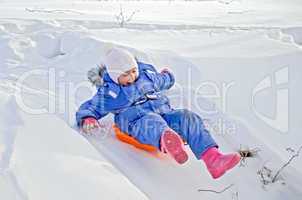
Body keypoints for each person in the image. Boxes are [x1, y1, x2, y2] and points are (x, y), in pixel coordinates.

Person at [76, 47, 241, 179]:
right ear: (114, 76)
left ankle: (213, 159)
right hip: (136, 122)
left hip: (165, 113)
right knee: (152, 121)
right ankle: (168, 141)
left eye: (133, 70)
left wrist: (167, 76)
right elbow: (91, 107)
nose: (132, 76)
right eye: (125, 74)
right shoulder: (109, 93)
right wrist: (88, 118)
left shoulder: (146, 77)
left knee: (188, 117)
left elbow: (164, 80)